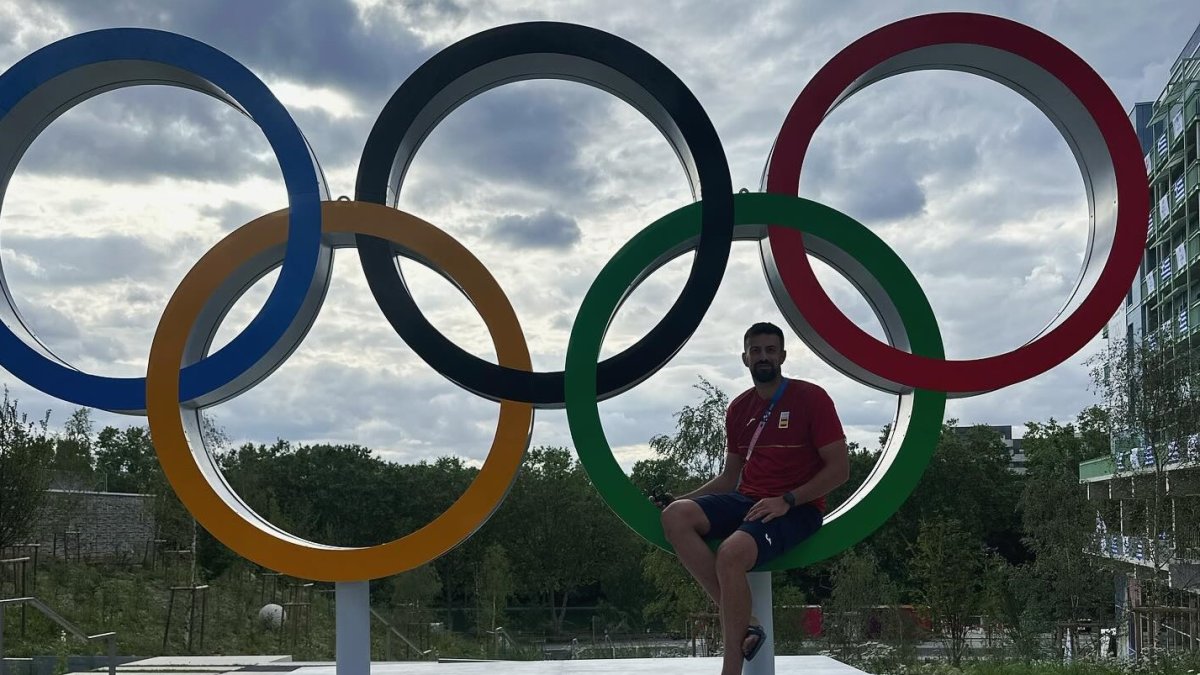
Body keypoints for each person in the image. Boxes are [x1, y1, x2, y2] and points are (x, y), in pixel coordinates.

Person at [654, 322, 848, 675]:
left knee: (731, 553)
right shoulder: (739, 408)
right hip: (748, 499)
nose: (763, 357)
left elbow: (840, 470)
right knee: (675, 517)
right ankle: (748, 621)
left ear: (783, 356)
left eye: (770, 350)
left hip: (797, 508)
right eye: (755, 351)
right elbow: (729, 478)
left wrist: (787, 499)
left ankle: (730, 670)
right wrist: (679, 500)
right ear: (745, 358)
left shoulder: (811, 398)